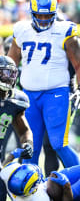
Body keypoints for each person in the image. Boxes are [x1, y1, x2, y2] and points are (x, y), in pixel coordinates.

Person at [7, 0, 80, 167]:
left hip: (56, 94)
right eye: (39, 15)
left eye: (47, 15)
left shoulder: (64, 30)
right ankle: (31, 190)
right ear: (32, 13)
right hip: (28, 96)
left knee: (59, 144)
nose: (43, 19)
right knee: (30, 146)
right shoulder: (21, 30)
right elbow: (10, 64)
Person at [0, 56, 34, 201]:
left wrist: (28, 144)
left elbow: (24, 130)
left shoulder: (16, 100)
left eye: (12, 74)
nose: (9, 78)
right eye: (4, 73)